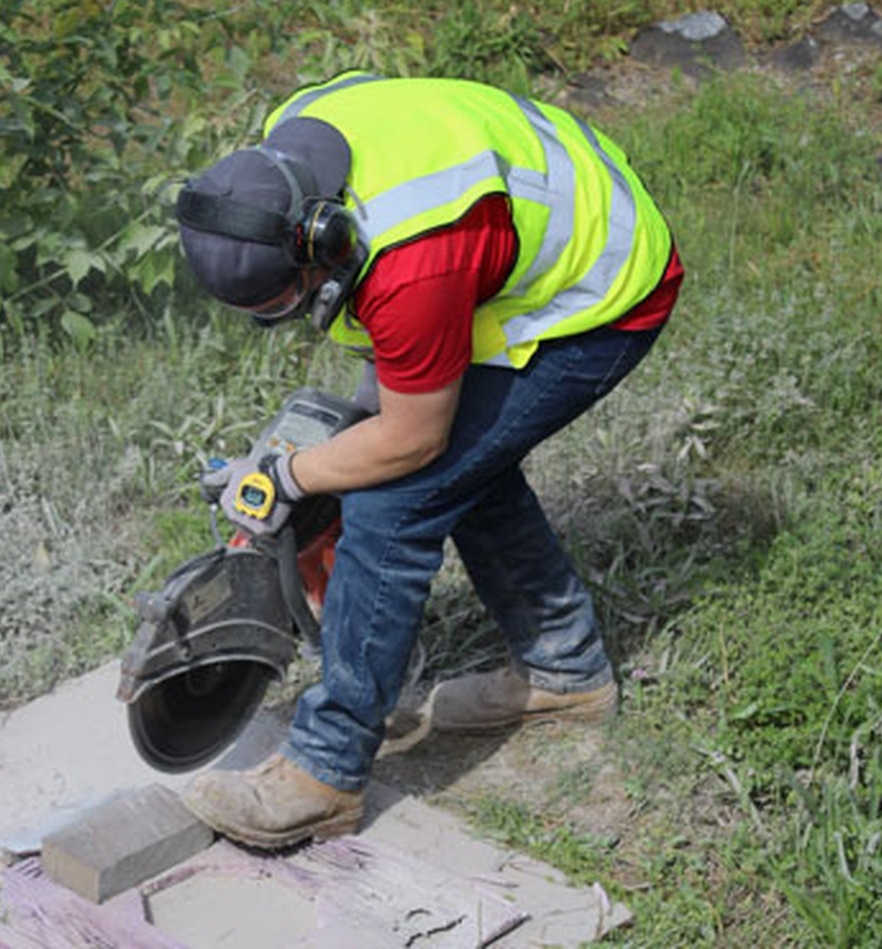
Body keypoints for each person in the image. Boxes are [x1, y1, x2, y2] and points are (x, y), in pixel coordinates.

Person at [175, 72, 683, 850]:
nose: (285, 321)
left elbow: (412, 438)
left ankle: (326, 770)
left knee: (398, 497)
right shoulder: (293, 142)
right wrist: (324, 467)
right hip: (493, 245)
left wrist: (293, 477)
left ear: (325, 240)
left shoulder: (412, 258)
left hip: (596, 291)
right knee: (459, 465)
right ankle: (566, 672)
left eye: (285, 305)